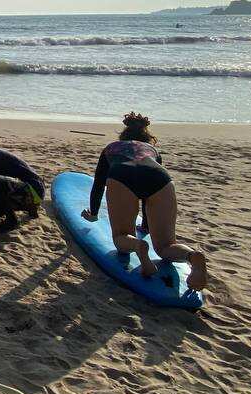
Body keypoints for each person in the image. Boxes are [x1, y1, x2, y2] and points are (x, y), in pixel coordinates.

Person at [82, 112, 209, 291]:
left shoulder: (111, 148)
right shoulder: (153, 151)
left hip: (122, 175)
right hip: (161, 178)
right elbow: (148, 199)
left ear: (123, 135)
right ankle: (193, 256)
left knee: (121, 237)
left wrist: (93, 213)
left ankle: (137, 246)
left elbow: (99, 184)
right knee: (166, 246)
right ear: (145, 137)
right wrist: (147, 227)